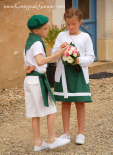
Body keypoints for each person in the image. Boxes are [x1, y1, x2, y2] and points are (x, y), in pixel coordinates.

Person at [23, 14, 70, 152]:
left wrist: (27, 68)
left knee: (34, 113)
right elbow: (39, 61)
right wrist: (58, 54)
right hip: (37, 80)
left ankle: (38, 143)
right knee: (51, 109)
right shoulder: (37, 43)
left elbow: (26, 64)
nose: (47, 30)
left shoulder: (29, 41)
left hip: (29, 79)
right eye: (45, 29)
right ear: (36, 31)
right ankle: (52, 140)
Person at [51, 8, 95, 145]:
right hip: (63, 74)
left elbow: (91, 57)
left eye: (73, 24)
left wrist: (79, 60)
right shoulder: (61, 36)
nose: (70, 27)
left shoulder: (85, 37)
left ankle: (80, 133)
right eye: (68, 24)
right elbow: (54, 55)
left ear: (80, 22)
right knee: (65, 103)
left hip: (79, 75)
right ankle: (66, 133)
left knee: (80, 103)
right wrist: (60, 49)